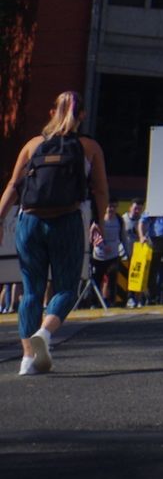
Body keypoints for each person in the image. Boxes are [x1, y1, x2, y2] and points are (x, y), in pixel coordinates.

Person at [0, 91, 111, 376]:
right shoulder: (89, 147)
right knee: (65, 288)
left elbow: (14, 186)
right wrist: (98, 221)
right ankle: (46, 334)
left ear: (52, 113)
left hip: (29, 223)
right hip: (66, 221)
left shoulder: (33, 145)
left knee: (31, 291)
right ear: (82, 115)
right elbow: (99, 190)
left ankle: (27, 360)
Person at [90, 203, 127, 305]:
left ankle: (110, 301)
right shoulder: (98, 219)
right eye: (109, 206)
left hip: (113, 255)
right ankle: (94, 303)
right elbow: (93, 236)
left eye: (113, 207)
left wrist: (127, 252)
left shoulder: (119, 220)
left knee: (112, 277)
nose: (111, 209)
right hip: (98, 256)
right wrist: (102, 246)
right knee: (97, 279)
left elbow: (123, 236)